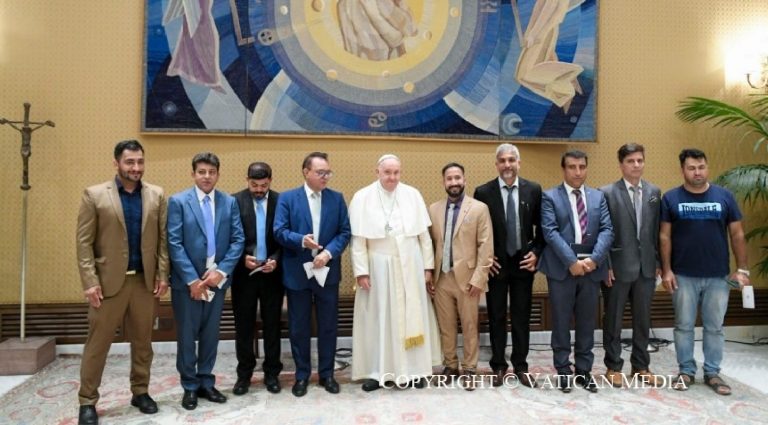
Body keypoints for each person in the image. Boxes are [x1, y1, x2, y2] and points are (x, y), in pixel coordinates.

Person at [76, 140, 169, 425]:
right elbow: (83, 242)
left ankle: (140, 392)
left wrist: (162, 275)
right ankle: (87, 401)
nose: (136, 167)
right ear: (116, 163)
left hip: (144, 283)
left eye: (140, 161)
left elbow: (163, 240)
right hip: (106, 285)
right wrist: (90, 281)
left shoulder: (156, 195)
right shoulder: (94, 195)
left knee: (143, 343)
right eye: (129, 162)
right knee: (97, 345)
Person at [660, 148, 751, 396]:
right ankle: (686, 371)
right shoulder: (671, 198)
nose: (697, 172)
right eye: (691, 168)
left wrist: (742, 269)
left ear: (707, 167)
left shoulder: (725, 197)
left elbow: (737, 234)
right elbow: (664, 236)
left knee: (714, 327)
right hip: (683, 275)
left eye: (701, 167)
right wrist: (667, 270)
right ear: (683, 170)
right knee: (683, 326)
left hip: (718, 276)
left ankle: (712, 372)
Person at [349, 154, 440, 392]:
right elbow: (358, 241)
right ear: (377, 172)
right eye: (387, 172)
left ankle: (415, 371)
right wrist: (361, 272)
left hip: (411, 265)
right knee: (379, 319)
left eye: (396, 172)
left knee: (413, 317)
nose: (392, 177)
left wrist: (428, 268)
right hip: (378, 267)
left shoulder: (412, 194)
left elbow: (424, 237)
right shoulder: (362, 197)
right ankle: (377, 372)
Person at [167, 152, 244, 410]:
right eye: (202, 172)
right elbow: (174, 243)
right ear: (193, 174)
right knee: (187, 336)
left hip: (216, 281)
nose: (207, 177)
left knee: (211, 334)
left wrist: (221, 272)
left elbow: (238, 240)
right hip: (187, 284)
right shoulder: (178, 202)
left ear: (218, 174)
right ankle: (189, 385)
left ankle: (206, 381)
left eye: (212, 172)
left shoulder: (229, 202)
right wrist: (192, 280)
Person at [273, 152, 351, 397]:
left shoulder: (336, 198)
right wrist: (301, 241)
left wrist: (328, 253)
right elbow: (279, 231)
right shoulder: (287, 198)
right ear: (306, 172)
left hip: (327, 271)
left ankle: (327, 374)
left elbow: (344, 232)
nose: (325, 176)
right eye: (320, 172)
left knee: (328, 325)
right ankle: (302, 375)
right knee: (299, 327)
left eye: (328, 172)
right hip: (297, 272)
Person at [538, 149, 613, 393]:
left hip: (591, 268)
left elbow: (607, 230)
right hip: (562, 268)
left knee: (587, 322)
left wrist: (595, 260)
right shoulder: (550, 196)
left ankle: (583, 370)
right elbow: (549, 232)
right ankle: (563, 370)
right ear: (564, 169)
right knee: (561, 322)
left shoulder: (598, 197)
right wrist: (571, 262)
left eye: (582, 166)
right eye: (572, 167)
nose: (578, 172)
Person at [473, 143, 545, 388]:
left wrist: (536, 253)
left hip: (524, 265)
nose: (507, 165)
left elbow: (542, 229)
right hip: (496, 266)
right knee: (496, 316)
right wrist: (486, 257)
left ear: (518, 163)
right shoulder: (483, 192)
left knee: (521, 317)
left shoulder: (533, 190)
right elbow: (477, 232)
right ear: (496, 164)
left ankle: (521, 366)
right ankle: (498, 366)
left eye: (511, 160)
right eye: (502, 160)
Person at [599, 143, 663, 387]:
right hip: (617, 267)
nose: (636, 165)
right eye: (631, 161)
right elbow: (602, 232)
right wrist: (605, 264)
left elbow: (657, 231)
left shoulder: (654, 192)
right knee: (613, 319)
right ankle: (613, 366)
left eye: (640, 160)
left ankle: (641, 366)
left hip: (646, 267)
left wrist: (658, 262)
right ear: (621, 165)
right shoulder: (607, 193)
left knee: (643, 320)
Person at [428, 162, 494, 391]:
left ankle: (470, 368)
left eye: (457, 178)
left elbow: (486, 246)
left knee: (469, 326)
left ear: (464, 180)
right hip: (442, 278)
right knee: (445, 326)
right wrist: (429, 274)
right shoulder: (433, 209)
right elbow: (429, 245)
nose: (454, 182)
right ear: (443, 182)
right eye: (449, 178)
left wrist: (479, 279)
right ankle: (450, 366)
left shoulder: (479, 209)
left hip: (468, 279)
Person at [231, 162, 284, 395]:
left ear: (270, 181)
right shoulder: (235, 201)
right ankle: (244, 375)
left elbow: (284, 236)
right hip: (244, 275)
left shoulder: (281, 201)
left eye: (263, 185)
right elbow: (229, 237)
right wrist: (242, 257)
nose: (259, 190)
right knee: (244, 326)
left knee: (272, 325)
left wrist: (276, 259)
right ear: (247, 180)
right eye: (254, 185)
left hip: (272, 274)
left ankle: (272, 373)